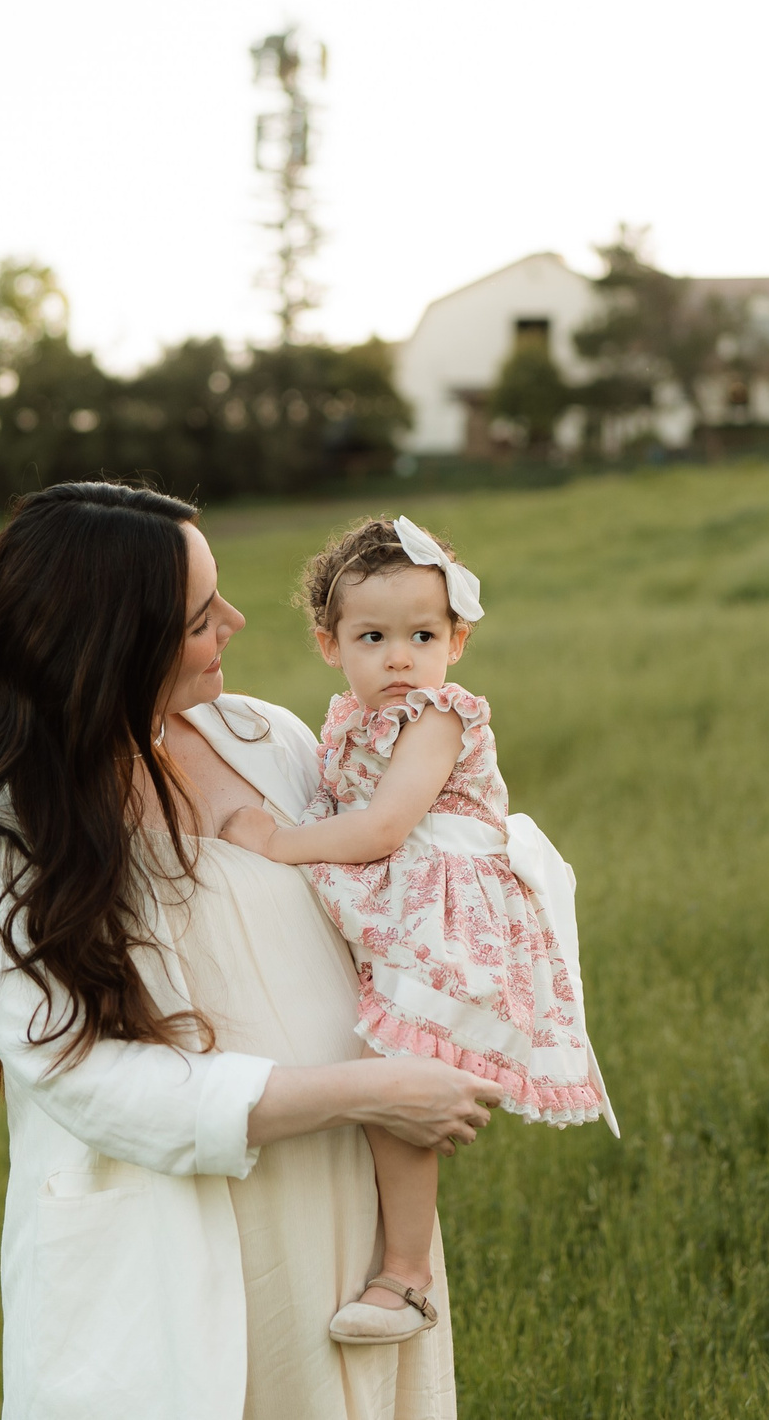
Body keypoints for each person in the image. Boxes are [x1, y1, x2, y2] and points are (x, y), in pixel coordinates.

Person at [0, 482, 501, 1420]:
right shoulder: (2, 821)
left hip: (341, 1206)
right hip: (169, 1238)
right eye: (197, 617)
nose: (236, 620)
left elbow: (395, 900)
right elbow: (83, 1075)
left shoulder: (272, 739)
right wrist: (373, 1091)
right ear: (112, 643)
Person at [217, 515, 614, 1346]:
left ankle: (406, 1275)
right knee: (372, 1063)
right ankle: (374, 1250)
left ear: (456, 641)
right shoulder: (347, 721)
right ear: (330, 644)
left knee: (392, 1074)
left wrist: (277, 843)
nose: (399, 656)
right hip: (407, 903)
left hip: (450, 910)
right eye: (373, 635)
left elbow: (384, 829)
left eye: (422, 633)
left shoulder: (438, 716)